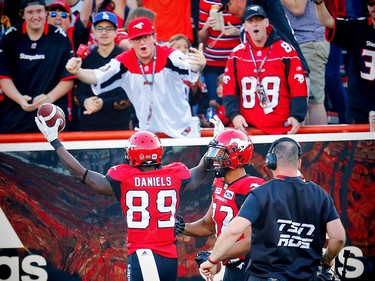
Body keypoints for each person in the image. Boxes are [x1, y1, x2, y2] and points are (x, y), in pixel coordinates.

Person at [34, 113, 210, 280]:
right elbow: (201, 172)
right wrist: (215, 142)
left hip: (143, 256)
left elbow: (81, 174)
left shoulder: (125, 177)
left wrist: (55, 141)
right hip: (170, 257)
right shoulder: (175, 174)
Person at [199, 137, 346, 281]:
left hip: (265, 276)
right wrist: (326, 261)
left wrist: (212, 260)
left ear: (271, 161)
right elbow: (338, 238)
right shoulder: (320, 195)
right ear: (299, 163)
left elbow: (233, 230)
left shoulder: (261, 193)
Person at [65, 17, 206, 138]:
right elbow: (96, 76)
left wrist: (199, 64)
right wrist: (78, 71)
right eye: (137, 38)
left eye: (146, 37)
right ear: (131, 42)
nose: (142, 42)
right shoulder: (124, 61)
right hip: (149, 134)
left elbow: (189, 65)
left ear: (154, 37)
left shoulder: (169, 55)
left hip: (181, 131)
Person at [175, 128, 266, 281]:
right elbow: (208, 225)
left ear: (237, 156)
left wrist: (214, 256)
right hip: (231, 266)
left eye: (221, 154)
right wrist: (181, 228)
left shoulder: (251, 188)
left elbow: (251, 240)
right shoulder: (220, 183)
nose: (215, 159)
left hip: (252, 267)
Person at [222, 5, 307, 135]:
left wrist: (296, 116)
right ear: (245, 26)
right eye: (250, 21)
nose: (255, 24)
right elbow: (229, 90)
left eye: (259, 20)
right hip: (248, 130)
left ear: (266, 22)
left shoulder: (286, 51)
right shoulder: (236, 54)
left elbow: (298, 87)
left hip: (283, 128)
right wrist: (234, 115)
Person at [0, 0, 74, 133]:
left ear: (46, 12)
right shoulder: (10, 37)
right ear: (22, 15)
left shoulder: (60, 38)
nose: (35, 16)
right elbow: (4, 76)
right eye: (30, 12)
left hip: (50, 118)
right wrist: (20, 99)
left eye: (39, 11)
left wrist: (49, 98)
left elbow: (68, 77)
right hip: (15, 119)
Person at [314, 0, 375, 124]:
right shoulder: (359, 26)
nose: (373, 7)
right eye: (370, 2)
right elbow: (328, 22)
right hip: (361, 109)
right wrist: (319, 3)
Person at [74, 11, 136, 131]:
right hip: (89, 126)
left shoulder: (126, 58)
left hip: (119, 126)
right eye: (99, 28)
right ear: (94, 32)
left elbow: (130, 94)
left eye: (109, 28)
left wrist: (103, 103)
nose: (104, 32)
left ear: (116, 32)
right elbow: (78, 92)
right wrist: (85, 101)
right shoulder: (86, 59)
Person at [218, 0, 310, 74]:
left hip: (291, 70)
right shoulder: (245, 17)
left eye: (227, 7)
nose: (228, 12)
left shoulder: (263, 4)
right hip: (273, 75)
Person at [282, 0, 329, 125]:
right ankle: (306, 143)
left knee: (314, 100)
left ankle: (320, 144)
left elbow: (298, 8)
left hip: (309, 40)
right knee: (301, 99)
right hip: (296, 42)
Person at [199, 0, 242, 109]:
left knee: (237, 103)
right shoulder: (205, 1)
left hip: (236, 62)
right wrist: (206, 26)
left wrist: (238, 32)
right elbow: (202, 37)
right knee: (216, 104)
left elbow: (250, 27)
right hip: (212, 63)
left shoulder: (240, 2)